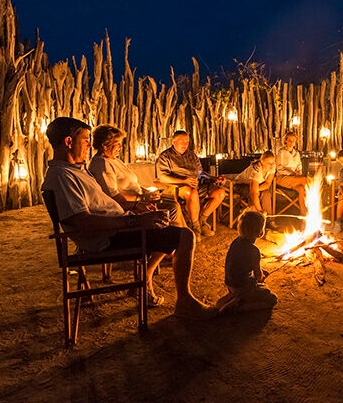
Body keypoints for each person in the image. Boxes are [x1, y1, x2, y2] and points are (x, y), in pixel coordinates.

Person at [41, 117, 216, 319]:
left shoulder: (76, 171)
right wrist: (135, 220)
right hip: (108, 237)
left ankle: (150, 273)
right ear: (69, 142)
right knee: (185, 236)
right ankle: (184, 301)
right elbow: (84, 222)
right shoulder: (63, 176)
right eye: (86, 139)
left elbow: (102, 205)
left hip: (117, 226)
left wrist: (136, 208)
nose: (90, 144)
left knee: (164, 219)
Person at [156, 130, 226, 239]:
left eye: (187, 142)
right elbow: (162, 177)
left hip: (195, 185)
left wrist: (214, 178)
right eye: (182, 141)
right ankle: (195, 227)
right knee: (191, 192)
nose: (185, 144)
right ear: (174, 142)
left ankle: (202, 221)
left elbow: (200, 172)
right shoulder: (165, 156)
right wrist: (184, 181)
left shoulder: (191, 155)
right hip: (177, 187)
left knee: (220, 192)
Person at [88, 124, 168, 212]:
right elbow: (113, 197)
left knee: (172, 204)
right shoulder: (101, 164)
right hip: (127, 206)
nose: (120, 146)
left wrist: (147, 193)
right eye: (117, 143)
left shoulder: (115, 160)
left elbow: (132, 185)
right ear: (104, 145)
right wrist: (142, 198)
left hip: (138, 200)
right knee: (171, 208)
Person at [215, 211, 278, 313]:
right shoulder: (254, 251)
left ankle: (233, 296)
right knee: (272, 299)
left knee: (259, 286)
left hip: (230, 284)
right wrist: (262, 276)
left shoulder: (236, 241)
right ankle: (239, 306)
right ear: (260, 232)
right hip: (242, 287)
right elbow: (258, 276)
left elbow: (239, 265)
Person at [233, 151, 276, 216]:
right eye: (268, 163)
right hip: (240, 185)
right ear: (262, 162)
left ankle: (269, 219)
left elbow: (267, 183)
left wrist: (256, 189)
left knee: (266, 194)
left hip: (256, 185)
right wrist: (260, 210)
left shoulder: (272, 167)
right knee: (252, 195)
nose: (271, 165)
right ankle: (254, 218)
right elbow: (254, 193)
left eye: (273, 162)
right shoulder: (256, 170)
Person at [275, 131, 307, 214]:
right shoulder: (281, 152)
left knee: (301, 189)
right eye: (289, 140)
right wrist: (292, 173)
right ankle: (313, 207)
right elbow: (279, 168)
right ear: (285, 141)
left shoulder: (297, 154)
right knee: (306, 181)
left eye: (293, 141)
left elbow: (299, 166)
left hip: (295, 178)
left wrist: (298, 172)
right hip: (282, 178)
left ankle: (304, 214)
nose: (291, 143)